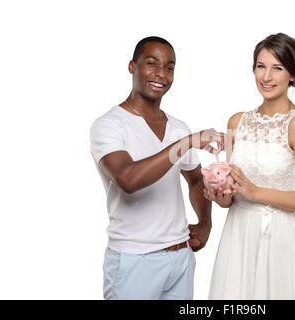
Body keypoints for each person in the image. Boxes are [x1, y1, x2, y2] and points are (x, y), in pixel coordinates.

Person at [89, 36, 224, 300]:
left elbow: (196, 181)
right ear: (132, 66)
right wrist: (186, 143)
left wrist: (205, 223)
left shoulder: (178, 127)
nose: (161, 74)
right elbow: (128, 179)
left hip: (181, 257)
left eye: (169, 67)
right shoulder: (109, 125)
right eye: (151, 64)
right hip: (134, 261)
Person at [205, 33, 295, 299]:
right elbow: (233, 192)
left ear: (293, 75)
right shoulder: (236, 121)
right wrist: (221, 196)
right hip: (238, 235)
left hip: (280, 238)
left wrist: (257, 192)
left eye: (277, 68)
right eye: (261, 66)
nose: (266, 77)